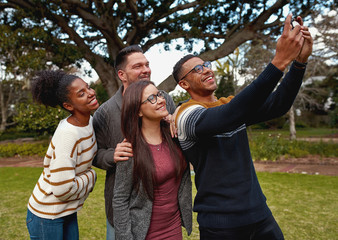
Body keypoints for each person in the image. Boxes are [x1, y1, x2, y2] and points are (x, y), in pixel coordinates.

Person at [172, 14, 313, 239]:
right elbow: (227, 116)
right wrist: (278, 62)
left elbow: (278, 105)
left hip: (259, 213)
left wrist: (299, 63)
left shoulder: (229, 104)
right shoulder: (184, 115)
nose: (207, 70)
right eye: (197, 69)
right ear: (184, 84)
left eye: (206, 65)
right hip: (221, 224)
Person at [92, 45, 176, 239]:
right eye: (138, 66)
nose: (146, 70)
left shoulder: (164, 99)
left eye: (147, 64)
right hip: (124, 209)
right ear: (122, 74)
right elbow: (93, 154)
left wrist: (177, 120)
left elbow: (175, 136)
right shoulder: (104, 112)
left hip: (164, 210)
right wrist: (111, 155)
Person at [112, 80, 192, 239]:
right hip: (145, 232)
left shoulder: (174, 135)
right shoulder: (130, 148)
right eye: (151, 98)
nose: (161, 100)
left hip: (173, 227)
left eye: (159, 94)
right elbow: (120, 199)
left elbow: (199, 108)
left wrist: (177, 115)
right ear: (138, 111)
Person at [26, 70, 99, 240]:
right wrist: (91, 176)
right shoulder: (69, 135)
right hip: (47, 214)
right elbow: (62, 188)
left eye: (87, 87)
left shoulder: (89, 122)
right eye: (81, 94)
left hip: (66, 209)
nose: (90, 93)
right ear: (68, 106)